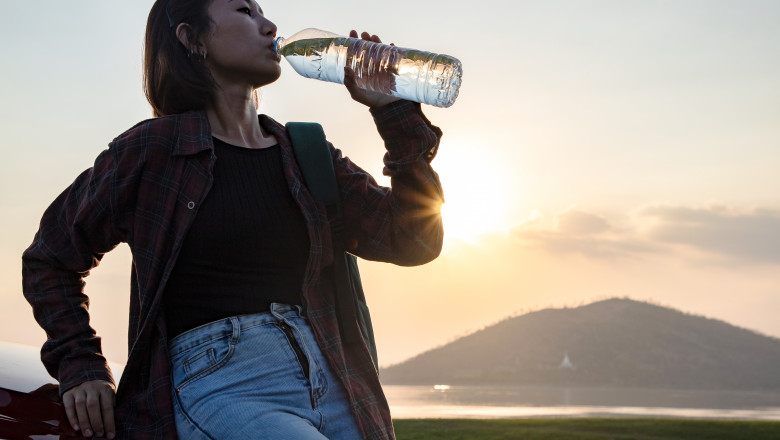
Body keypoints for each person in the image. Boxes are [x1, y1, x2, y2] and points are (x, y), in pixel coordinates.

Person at [21, 0, 444, 439]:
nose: (270, 25)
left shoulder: (307, 154)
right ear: (192, 39)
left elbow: (413, 239)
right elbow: (49, 259)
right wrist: (81, 364)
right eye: (245, 10)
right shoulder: (152, 151)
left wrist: (391, 111)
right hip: (221, 384)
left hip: (335, 380)